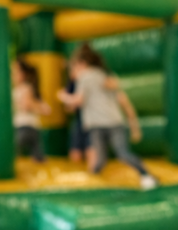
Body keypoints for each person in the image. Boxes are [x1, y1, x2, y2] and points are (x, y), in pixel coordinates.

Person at [57, 43, 157, 189]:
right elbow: (122, 100)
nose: (74, 71)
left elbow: (78, 100)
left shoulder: (85, 76)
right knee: (109, 157)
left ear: (82, 64)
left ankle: (146, 175)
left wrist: (63, 96)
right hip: (112, 123)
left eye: (74, 67)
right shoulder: (105, 76)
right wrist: (134, 127)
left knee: (110, 156)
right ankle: (144, 175)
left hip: (100, 125)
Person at [12, 59, 51, 162]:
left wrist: (30, 104)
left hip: (23, 127)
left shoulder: (25, 88)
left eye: (15, 72)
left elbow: (45, 109)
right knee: (38, 155)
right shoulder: (23, 89)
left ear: (23, 74)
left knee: (12, 150)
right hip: (34, 128)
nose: (12, 75)